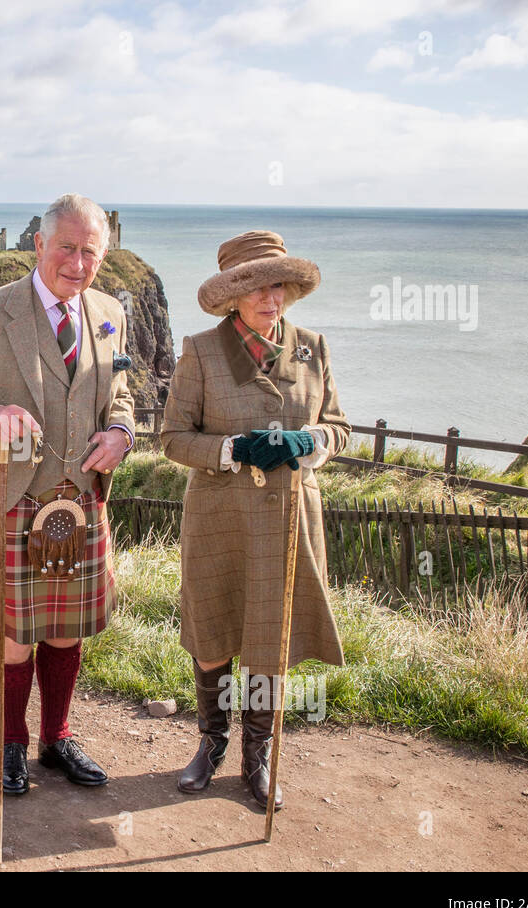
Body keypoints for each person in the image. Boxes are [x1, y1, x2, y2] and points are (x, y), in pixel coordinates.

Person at [0, 193, 136, 795]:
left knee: (66, 628)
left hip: (81, 502)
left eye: (90, 252)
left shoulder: (108, 312)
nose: (77, 263)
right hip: (9, 495)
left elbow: (118, 394)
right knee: (16, 635)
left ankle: (56, 737)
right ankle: (11, 743)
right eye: (66, 248)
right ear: (39, 245)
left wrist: (122, 432)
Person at [159, 229, 350, 809]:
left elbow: (340, 427)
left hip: (288, 519)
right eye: (257, 287)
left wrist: (310, 439)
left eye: (279, 286)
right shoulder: (200, 350)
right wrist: (234, 449)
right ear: (232, 295)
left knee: (270, 638)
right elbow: (171, 439)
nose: (272, 298)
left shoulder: (313, 346)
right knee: (213, 633)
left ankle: (257, 755)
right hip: (220, 516)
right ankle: (210, 745)